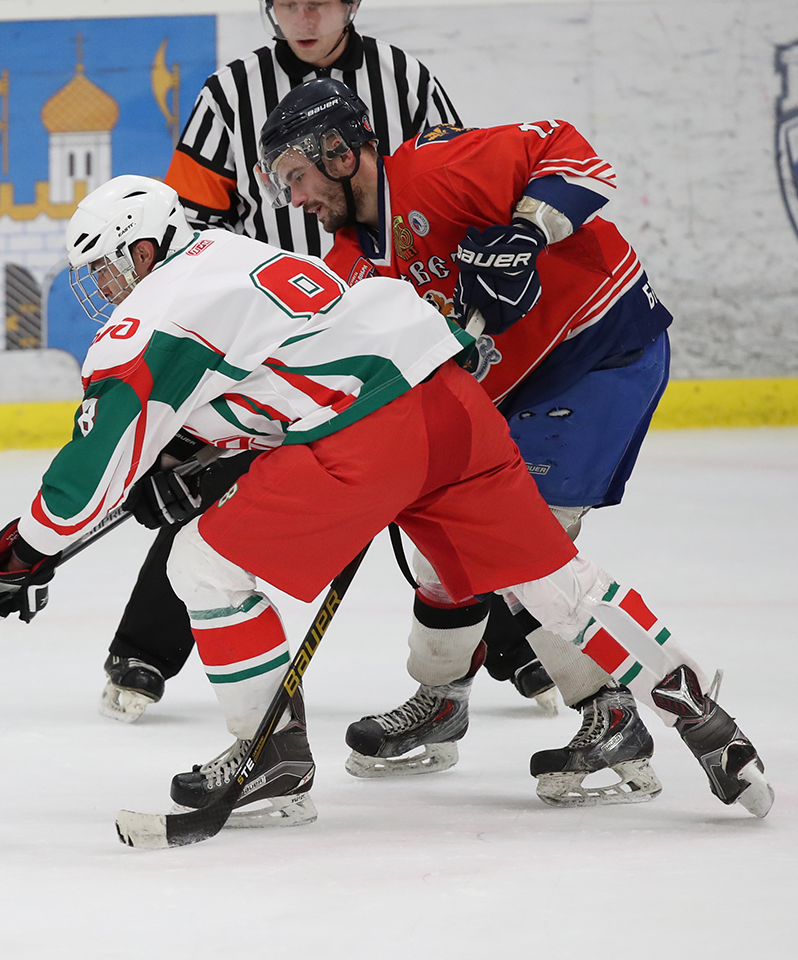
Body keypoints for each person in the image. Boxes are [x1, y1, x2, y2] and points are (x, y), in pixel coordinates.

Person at [0, 174, 772, 829]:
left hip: (367, 440)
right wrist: (195, 451)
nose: (105, 288)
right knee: (555, 583)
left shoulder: (153, 311)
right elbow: (272, 373)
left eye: (106, 267)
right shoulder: (237, 254)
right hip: (452, 406)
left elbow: (96, 458)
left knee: (201, 564)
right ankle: (703, 712)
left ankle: (270, 758)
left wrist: (23, 551)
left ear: (143, 248)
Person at [98, 0, 555, 724]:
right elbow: (191, 226)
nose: (305, 15)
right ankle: (146, 649)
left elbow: (450, 189)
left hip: (390, 326)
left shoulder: (402, 78)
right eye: (288, 1)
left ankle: (515, 642)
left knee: (444, 484)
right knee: (218, 480)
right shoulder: (230, 94)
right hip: (272, 339)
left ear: (351, 3)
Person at [255, 77, 678, 802]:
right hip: (507, 392)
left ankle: (609, 713)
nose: (294, 199)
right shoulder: (350, 267)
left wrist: (528, 231)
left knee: (524, 541)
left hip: (598, 350)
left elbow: (572, 155)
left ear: (339, 152)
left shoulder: (435, 169)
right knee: (435, 536)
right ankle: (441, 699)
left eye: (296, 176)